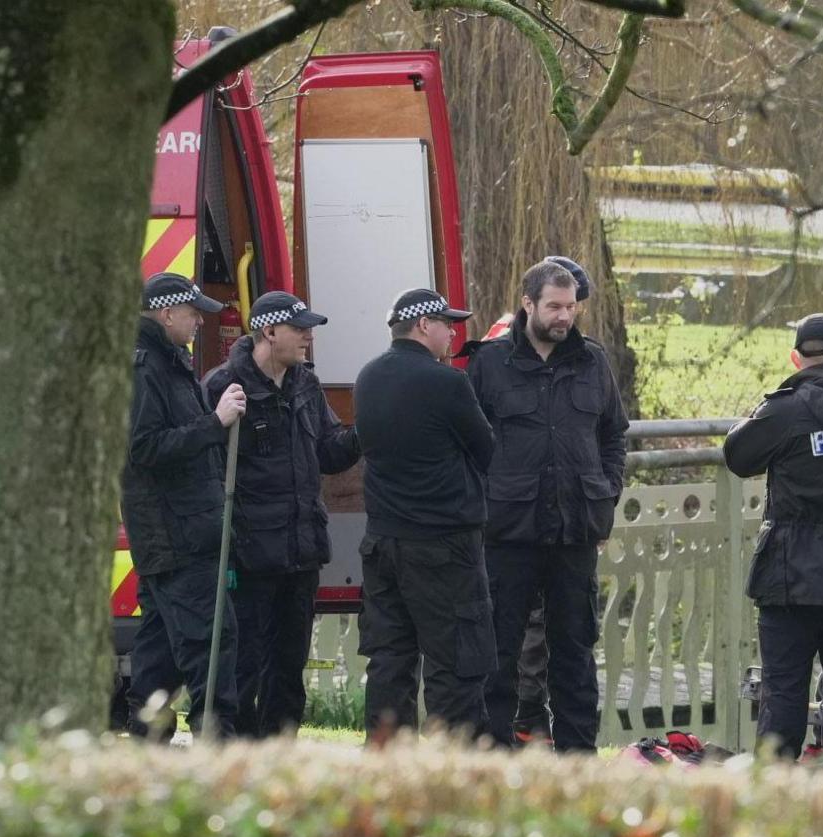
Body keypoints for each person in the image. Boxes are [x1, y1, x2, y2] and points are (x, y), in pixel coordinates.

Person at [469, 259, 629, 752]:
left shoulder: (592, 361)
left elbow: (613, 437)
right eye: (554, 307)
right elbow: (467, 445)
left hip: (575, 531)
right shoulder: (490, 363)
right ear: (528, 304)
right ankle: (493, 756)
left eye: (571, 307)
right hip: (507, 532)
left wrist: (605, 498)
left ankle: (577, 757)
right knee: (497, 650)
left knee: (575, 652)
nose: (564, 317)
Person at [722, 314, 823, 760]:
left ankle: (776, 787)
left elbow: (737, 455)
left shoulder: (786, 408)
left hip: (793, 571)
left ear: (797, 357)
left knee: (784, 688)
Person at [202, 291, 361, 738]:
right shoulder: (224, 387)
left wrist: (366, 429)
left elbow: (329, 453)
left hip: (300, 553)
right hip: (248, 557)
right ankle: (238, 757)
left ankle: (281, 756)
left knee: (289, 668)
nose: (310, 337)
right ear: (269, 331)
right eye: (301, 329)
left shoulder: (305, 386)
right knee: (244, 664)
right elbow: (206, 468)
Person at [353, 288, 496, 739]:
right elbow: (486, 449)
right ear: (422, 327)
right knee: (455, 661)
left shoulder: (367, 377)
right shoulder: (447, 382)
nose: (453, 332)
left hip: (383, 543)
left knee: (390, 658)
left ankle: (386, 763)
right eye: (446, 323)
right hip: (444, 547)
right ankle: (453, 768)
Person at [121, 272, 244, 740]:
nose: (199, 322)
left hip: (179, 531)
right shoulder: (145, 366)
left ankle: (146, 741)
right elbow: (145, 448)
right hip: (176, 535)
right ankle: (218, 744)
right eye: (193, 313)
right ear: (168, 313)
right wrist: (214, 423)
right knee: (210, 640)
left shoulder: (167, 361)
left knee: (160, 646)